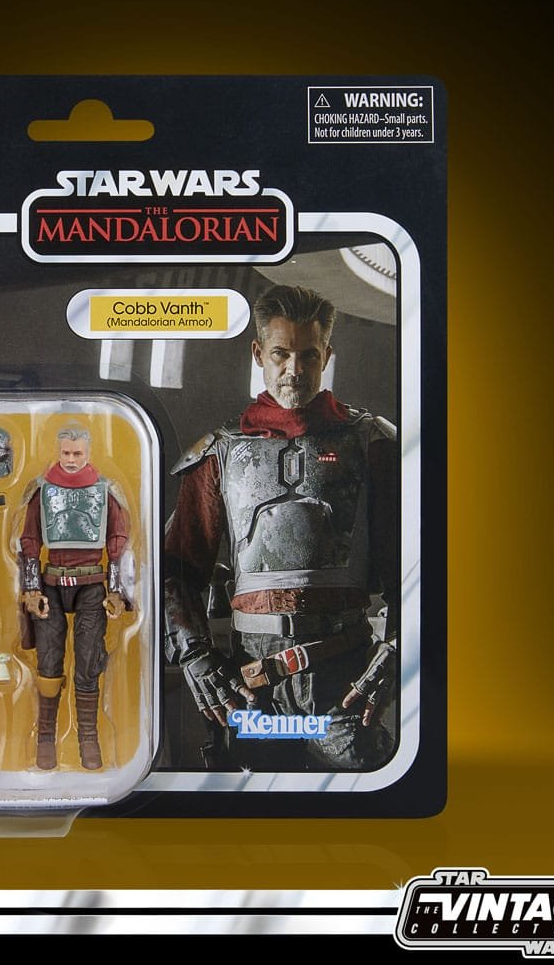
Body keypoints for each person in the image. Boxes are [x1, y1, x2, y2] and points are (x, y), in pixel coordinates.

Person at [163, 284, 398, 771]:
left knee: (358, 804)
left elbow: (415, 567)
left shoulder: (371, 443)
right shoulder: (220, 453)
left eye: (309, 355)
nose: (295, 369)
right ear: (258, 354)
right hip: (252, 681)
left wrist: (398, 648)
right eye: (281, 354)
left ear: (326, 355)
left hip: (346, 677)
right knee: (257, 805)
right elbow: (177, 569)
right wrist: (195, 656)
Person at [18, 425, 130, 770]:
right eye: (65, 453)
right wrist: (32, 589)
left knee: (88, 663)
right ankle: (45, 739)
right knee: (49, 663)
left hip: (91, 585)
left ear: (87, 453)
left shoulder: (105, 490)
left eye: (76, 453)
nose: (70, 459)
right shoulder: (42, 490)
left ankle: (88, 739)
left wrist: (116, 591)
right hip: (51, 584)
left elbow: (117, 542)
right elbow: (30, 542)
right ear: (58, 451)